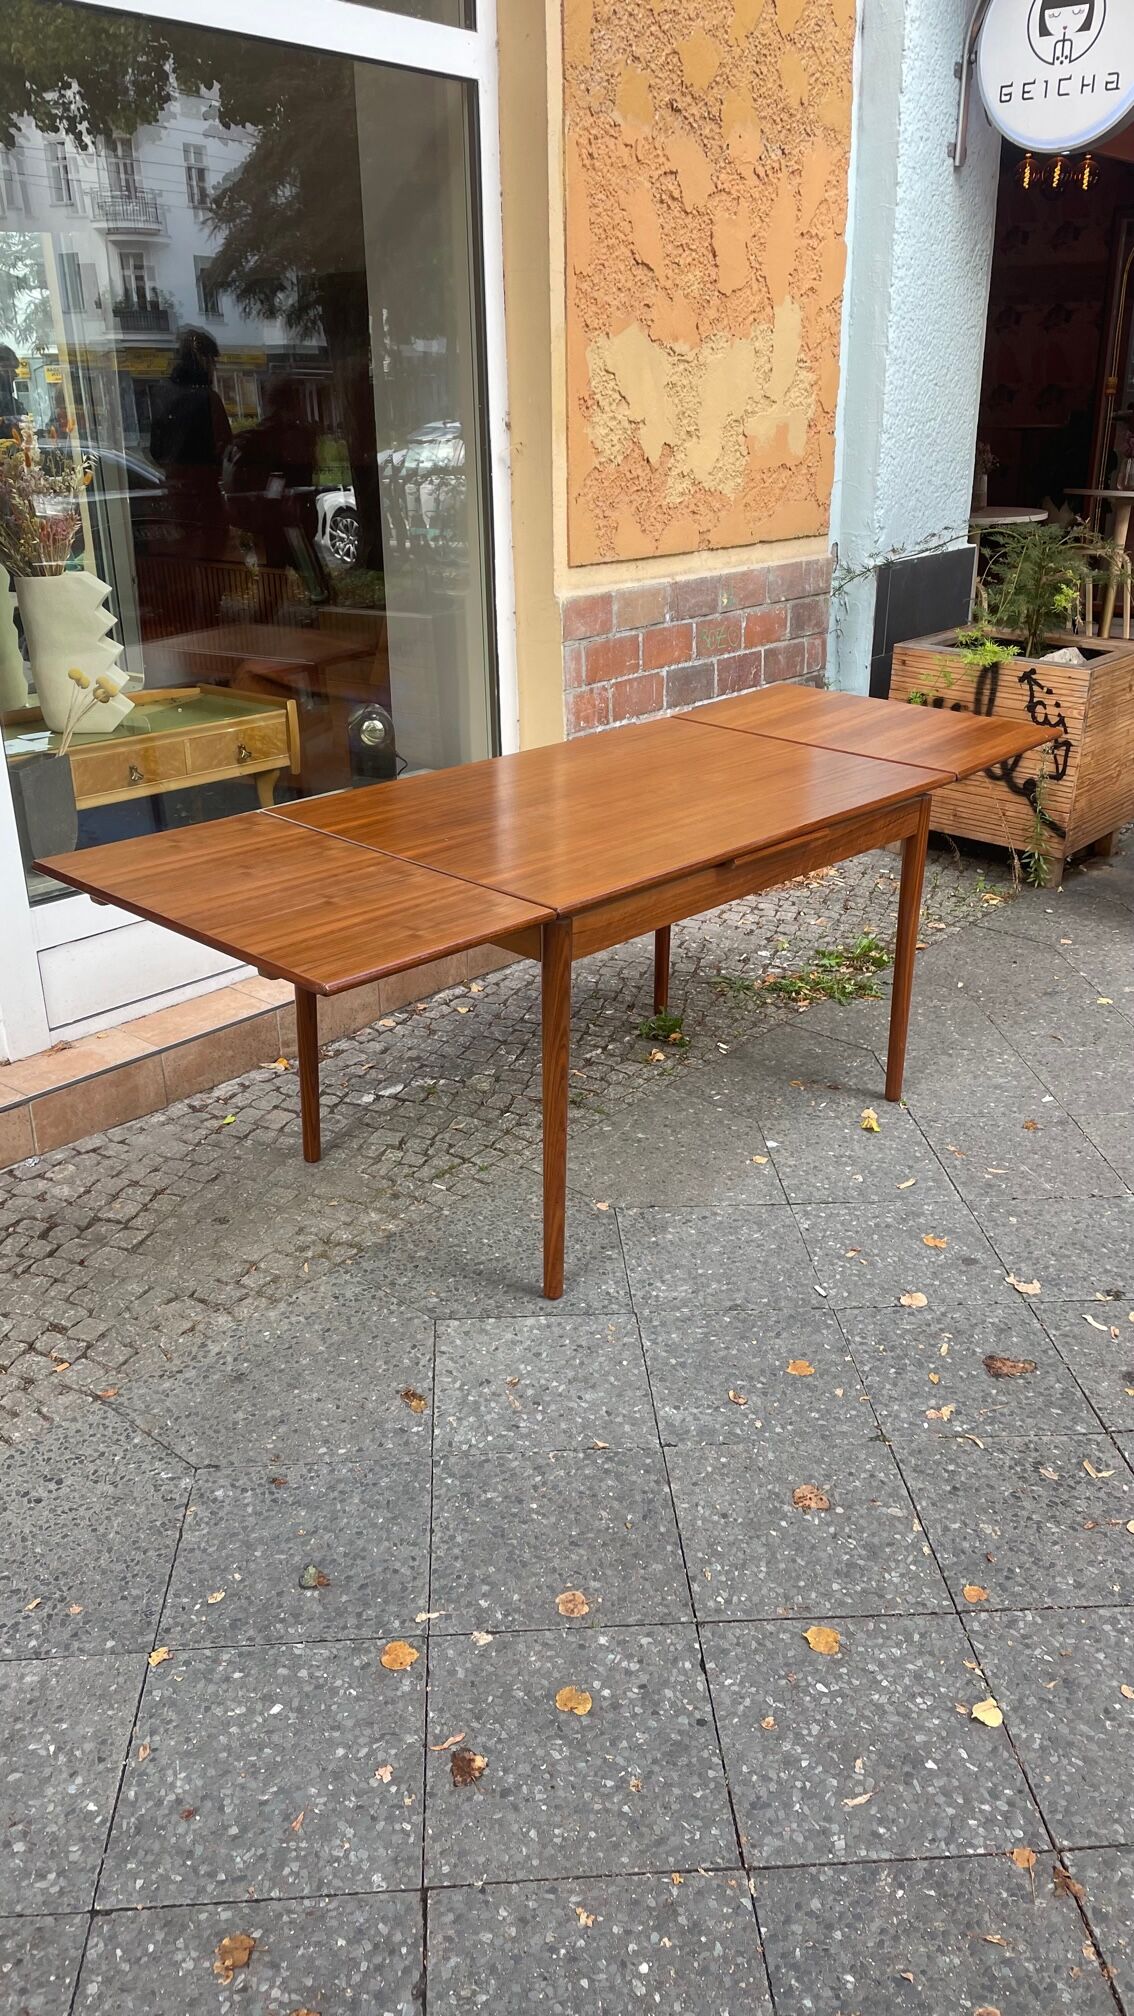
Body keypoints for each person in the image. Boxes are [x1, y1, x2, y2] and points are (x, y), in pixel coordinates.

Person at [149, 327, 232, 623]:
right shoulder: (207, 399)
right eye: (212, 361)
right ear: (204, 360)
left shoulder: (163, 394)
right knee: (211, 563)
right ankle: (206, 620)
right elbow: (224, 445)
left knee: (181, 566)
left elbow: (156, 449)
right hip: (204, 496)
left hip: (174, 495)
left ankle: (184, 620)